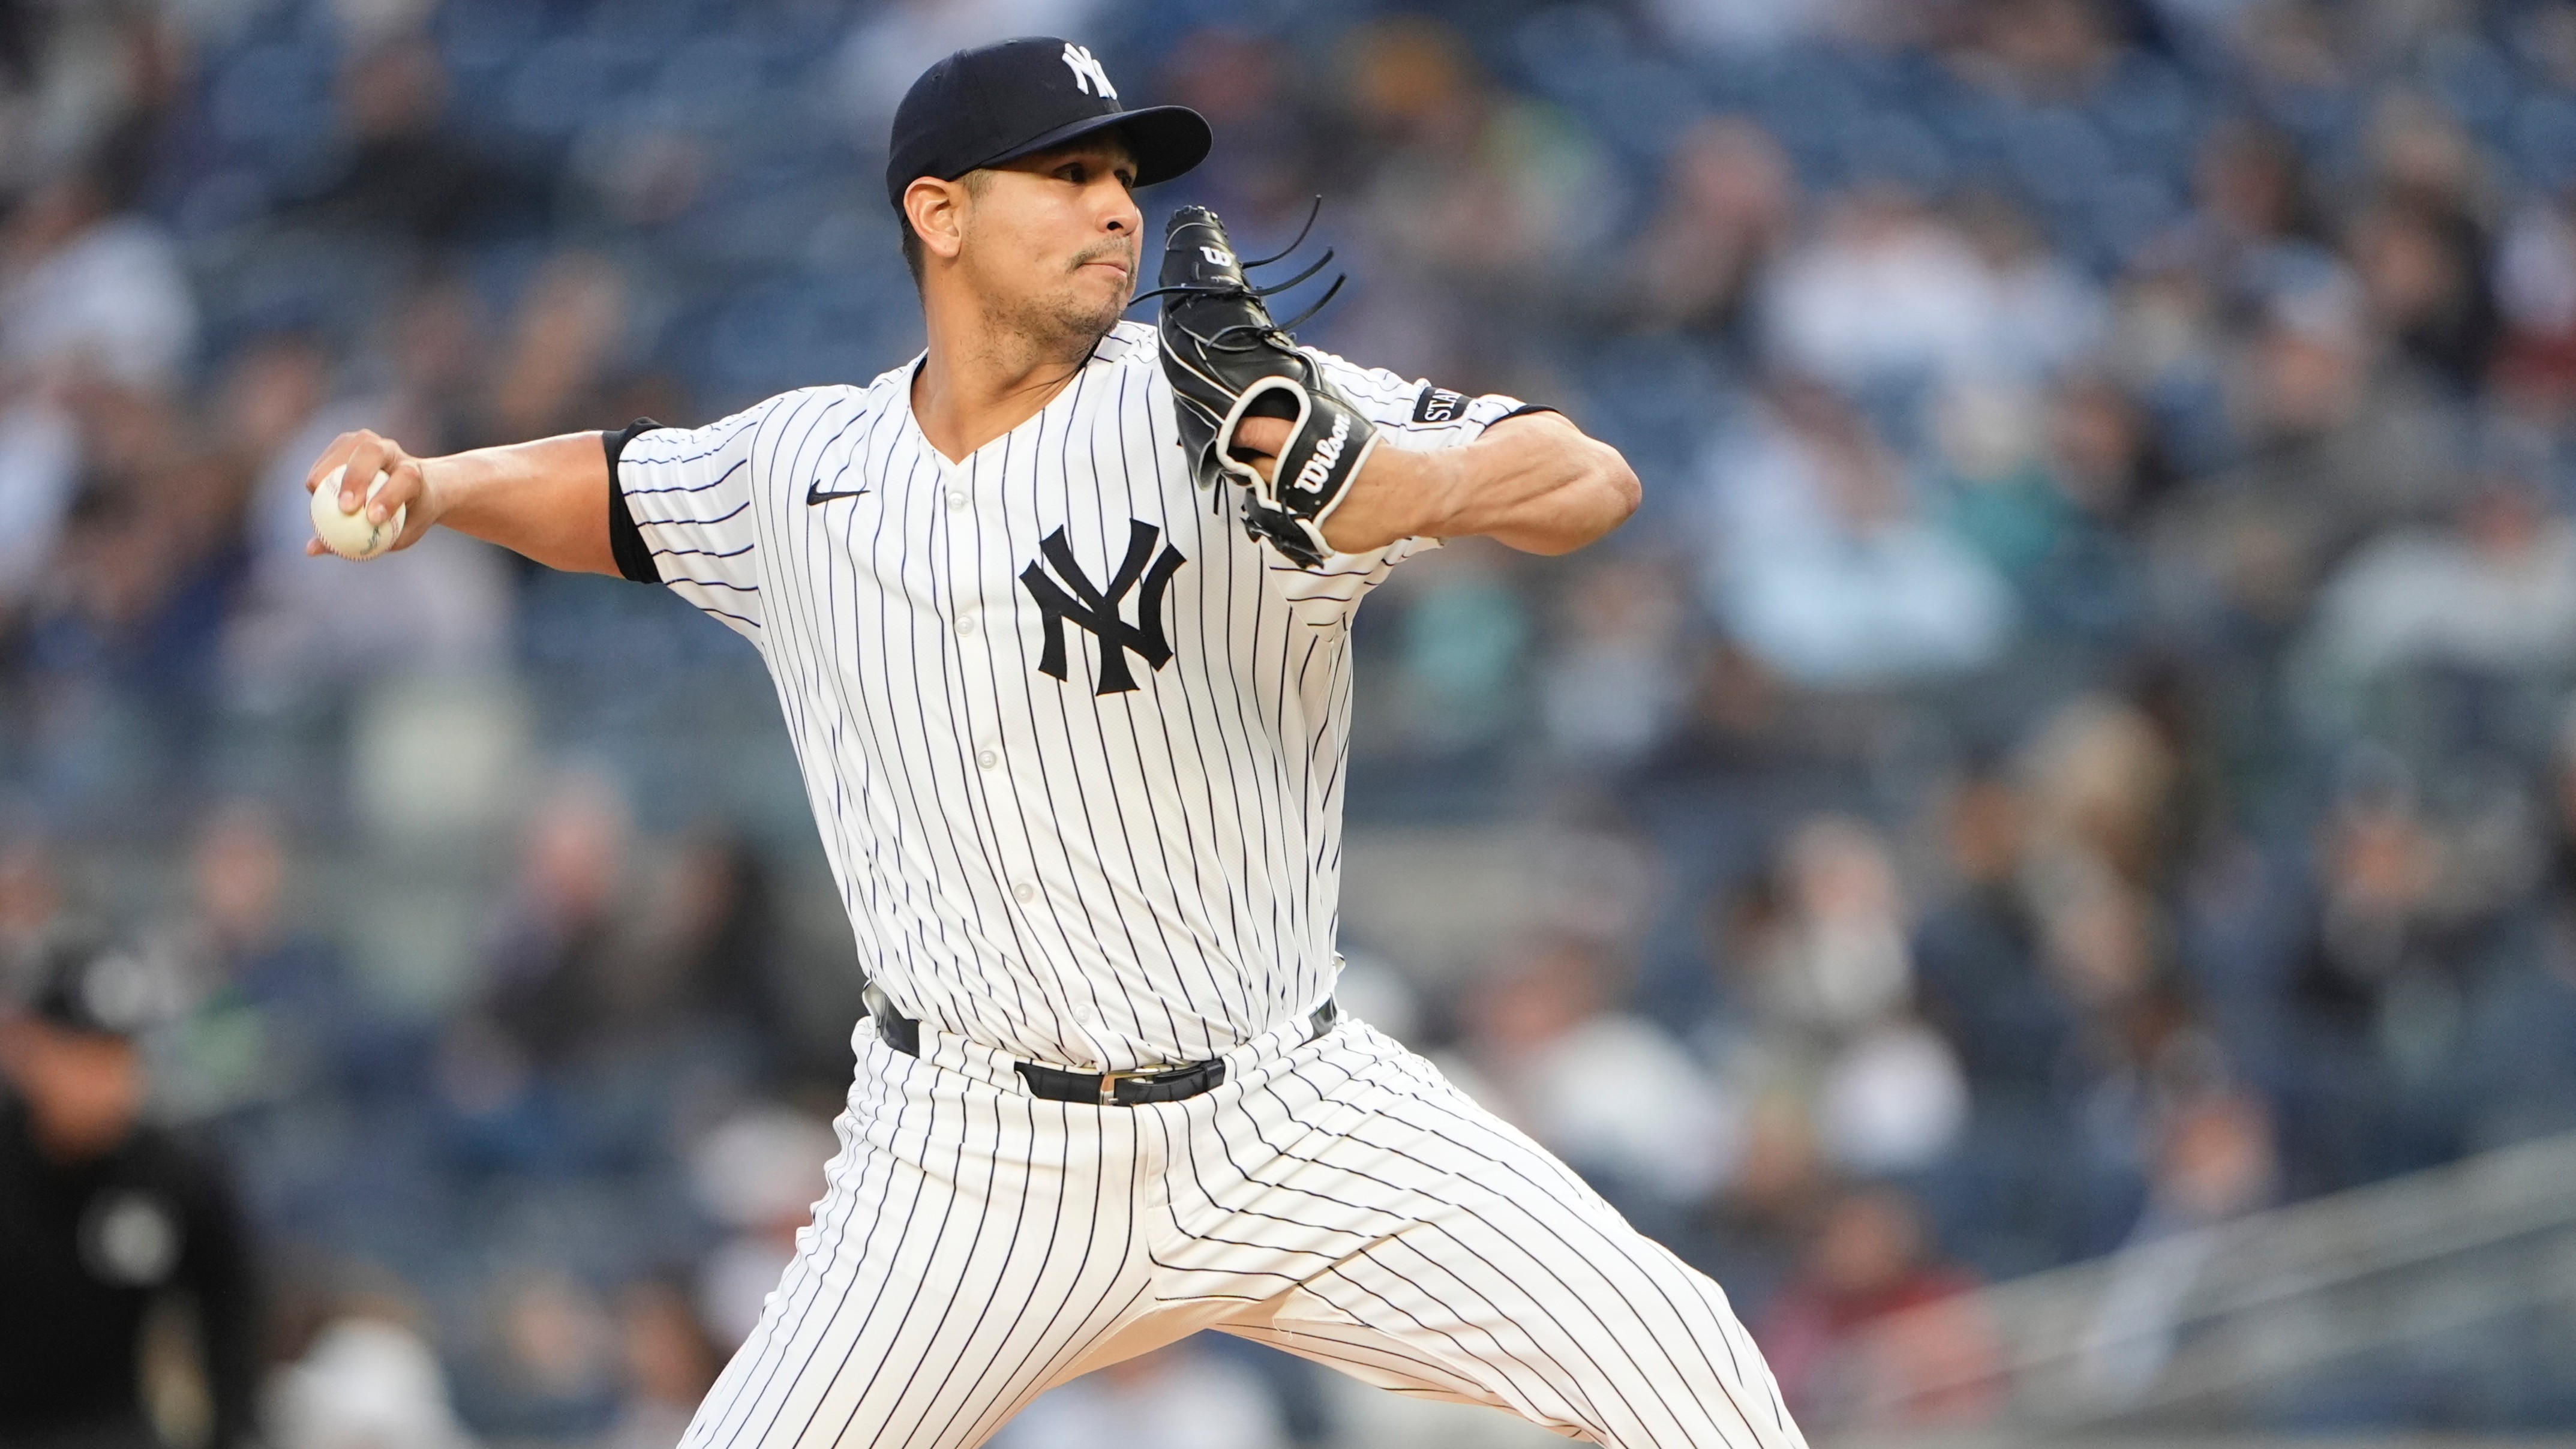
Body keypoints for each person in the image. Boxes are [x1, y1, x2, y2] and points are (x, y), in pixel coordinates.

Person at [301, 37, 1801, 1449]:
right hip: (964, 1159)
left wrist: (1391, 486)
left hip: (1285, 1113)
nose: (1117, 209)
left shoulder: (1226, 412)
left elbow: (1585, 477)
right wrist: (438, 483)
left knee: (1683, 1362)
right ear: (939, 213)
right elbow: (622, 489)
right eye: (1067, 174)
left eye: (1124, 179)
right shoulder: (801, 465)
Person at [0, 934, 261, 1449]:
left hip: (112, 1425)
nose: (105, 1080)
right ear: (29, 1048)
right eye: (82, 1055)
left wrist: (229, 1433)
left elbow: (231, 1307)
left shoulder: (170, 1176)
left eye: (119, 1056)